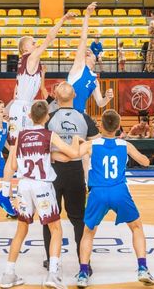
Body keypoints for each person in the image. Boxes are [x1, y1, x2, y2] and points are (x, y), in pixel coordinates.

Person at [0, 11, 75, 217]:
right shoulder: (30, 57)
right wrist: (62, 20)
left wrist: (11, 110)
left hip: (22, 107)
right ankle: (5, 193)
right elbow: (50, 38)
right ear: (25, 48)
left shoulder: (30, 64)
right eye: (32, 42)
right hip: (22, 109)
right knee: (15, 151)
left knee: (21, 150)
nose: (35, 43)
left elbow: (16, 89)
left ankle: (18, 190)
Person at [0, 100, 82, 289]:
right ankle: (53, 274)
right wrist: (76, 139)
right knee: (56, 229)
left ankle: (8, 274)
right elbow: (73, 153)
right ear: (47, 117)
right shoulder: (49, 135)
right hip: (42, 186)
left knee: (21, 230)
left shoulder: (20, 135)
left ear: (29, 116)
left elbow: (13, 166)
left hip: (23, 186)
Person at [76, 109, 154, 287]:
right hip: (119, 191)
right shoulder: (125, 145)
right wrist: (142, 156)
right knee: (136, 227)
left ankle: (83, 273)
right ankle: (142, 268)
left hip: (98, 192)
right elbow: (145, 162)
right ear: (118, 126)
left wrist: (78, 141)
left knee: (88, 232)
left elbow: (73, 154)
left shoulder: (91, 145)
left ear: (100, 126)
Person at [42, 82, 100, 271]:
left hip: (53, 173)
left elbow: (41, 147)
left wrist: (55, 154)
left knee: (51, 218)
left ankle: (51, 260)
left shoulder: (48, 118)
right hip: (75, 172)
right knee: (78, 219)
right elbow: (96, 146)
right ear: (75, 95)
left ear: (55, 97)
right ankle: (85, 263)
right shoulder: (85, 118)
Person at [67, 2, 113, 114]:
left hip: (81, 113)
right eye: (85, 52)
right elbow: (83, 39)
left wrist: (107, 98)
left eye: (90, 52)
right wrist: (87, 15)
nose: (87, 51)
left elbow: (100, 103)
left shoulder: (94, 80)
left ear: (95, 59)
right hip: (67, 112)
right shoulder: (79, 66)